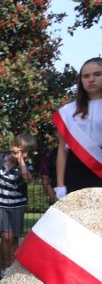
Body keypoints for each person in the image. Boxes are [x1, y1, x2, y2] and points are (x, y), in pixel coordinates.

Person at [54, 57, 102, 197]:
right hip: (76, 171)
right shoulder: (68, 112)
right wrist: (60, 184)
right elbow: (62, 150)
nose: (91, 79)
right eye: (86, 76)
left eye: (97, 74)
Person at [0, 133, 35, 277]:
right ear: (12, 145)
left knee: (14, 237)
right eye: (16, 146)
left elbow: (27, 179)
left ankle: (14, 268)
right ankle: (6, 268)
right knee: (6, 236)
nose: (17, 151)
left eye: (22, 150)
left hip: (17, 205)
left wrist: (21, 162)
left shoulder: (26, 166)